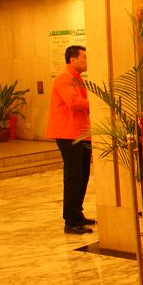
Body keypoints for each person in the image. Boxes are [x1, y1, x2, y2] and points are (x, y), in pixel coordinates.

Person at [46, 45, 94, 234]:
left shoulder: (78, 79)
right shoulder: (63, 79)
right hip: (68, 134)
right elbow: (73, 103)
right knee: (74, 177)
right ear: (73, 60)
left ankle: (77, 214)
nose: (86, 60)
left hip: (82, 133)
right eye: (84, 57)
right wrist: (96, 104)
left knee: (82, 176)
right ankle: (71, 221)